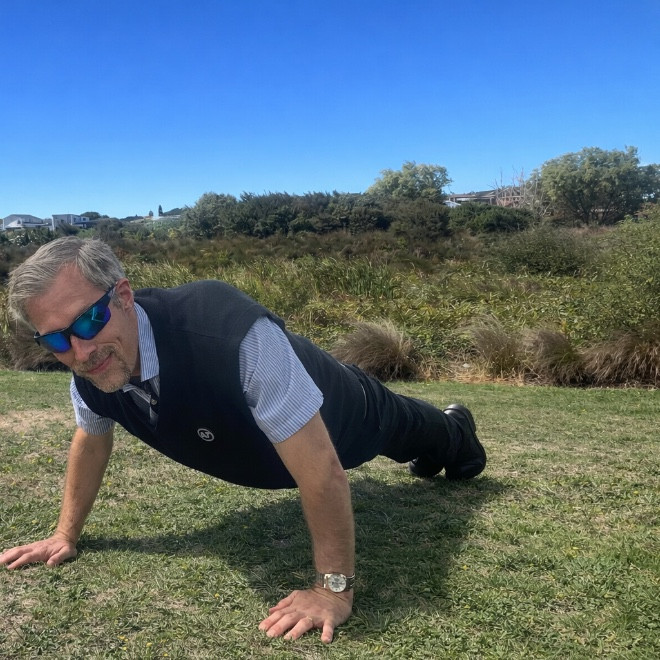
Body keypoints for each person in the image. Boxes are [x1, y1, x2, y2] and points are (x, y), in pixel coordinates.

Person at [1, 237, 486, 643]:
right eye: (57, 339)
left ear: (123, 295)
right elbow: (91, 439)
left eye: (89, 320)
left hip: (349, 414)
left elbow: (322, 470)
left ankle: (456, 429)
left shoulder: (226, 331)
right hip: (281, 449)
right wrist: (64, 535)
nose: (81, 349)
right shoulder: (90, 368)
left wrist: (332, 591)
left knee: (419, 431)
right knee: (413, 443)